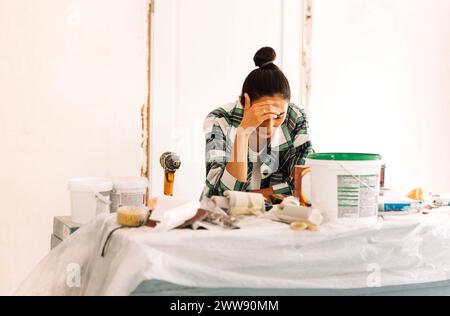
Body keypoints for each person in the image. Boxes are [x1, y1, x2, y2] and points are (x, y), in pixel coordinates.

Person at [201, 47, 313, 199]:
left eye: (279, 116)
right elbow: (220, 195)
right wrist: (243, 132)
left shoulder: (295, 116)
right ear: (243, 102)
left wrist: (247, 197)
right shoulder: (218, 120)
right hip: (225, 218)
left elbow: (305, 184)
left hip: (276, 217)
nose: (270, 126)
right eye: (262, 116)